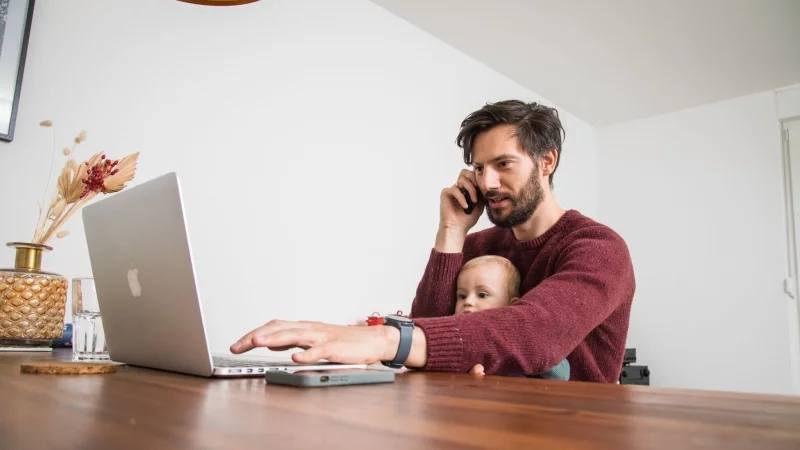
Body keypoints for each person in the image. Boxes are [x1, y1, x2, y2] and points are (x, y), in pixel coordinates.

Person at [230, 100, 635, 383]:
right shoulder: (477, 247)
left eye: (503, 164)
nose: (488, 182)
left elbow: (538, 334)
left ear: (547, 162)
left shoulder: (599, 248)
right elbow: (431, 327)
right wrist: (452, 233)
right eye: (479, 167)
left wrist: (387, 338)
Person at [454, 254, 569, 380]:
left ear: (511, 305)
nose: (468, 302)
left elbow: (561, 375)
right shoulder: (458, 339)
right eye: (462, 296)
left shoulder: (523, 339)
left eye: (482, 295)